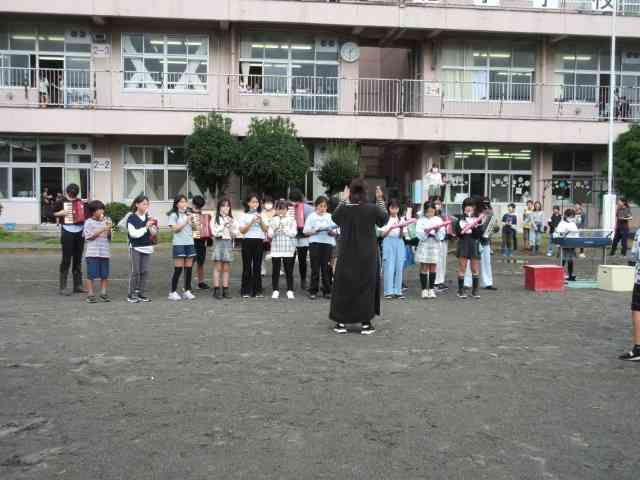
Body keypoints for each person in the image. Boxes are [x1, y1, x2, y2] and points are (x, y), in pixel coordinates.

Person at [330, 179, 387, 335]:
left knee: (343, 286)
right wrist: (380, 199)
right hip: (367, 254)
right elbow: (384, 219)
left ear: (350, 192)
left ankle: (341, 322)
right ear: (365, 192)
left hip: (346, 253)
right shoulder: (372, 208)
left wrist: (343, 200)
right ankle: (365, 323)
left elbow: (334, 218)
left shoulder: (344, 209)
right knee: (366, 287)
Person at [53, 183, 87, 295]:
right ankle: (63, 287)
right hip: (67, 231)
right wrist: (60, 213)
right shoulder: (60, 201)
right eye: (72, 191)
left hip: (80, 232)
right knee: (66, 259)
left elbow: (87, 214)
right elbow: (50, 213)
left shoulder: (81, 202)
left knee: (78, 259)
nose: (73, 193)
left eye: (75, 191)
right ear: (68, 192)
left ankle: (78, 286)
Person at [304, 196, 338, 300]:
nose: (322, 208)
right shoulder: (311, 217)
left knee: (326, 268)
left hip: (327, 244)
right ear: (316, 206)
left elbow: (336, 232)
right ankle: (313, 290)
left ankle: (327, 290)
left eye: (324, 206)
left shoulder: (330, 216)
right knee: (315, 267)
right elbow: (305, 232)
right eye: (320, 206)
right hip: (315, 243)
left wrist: (331, 232)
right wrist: (314, 231)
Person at [126, 195, 157, 303]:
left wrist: (152, 226)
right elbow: (134, 234)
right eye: (144, 204)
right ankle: (131, 295)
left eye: (147, 204)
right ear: (137, 205)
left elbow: (154, 233)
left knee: (144, 271)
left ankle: (141, 293)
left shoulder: (149, 217)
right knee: (136, 271)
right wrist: (146, 227)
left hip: (147, 247)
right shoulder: (131, 218)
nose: (146, 206)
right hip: (135, 247)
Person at [167, 195, 196, 301]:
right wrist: (186, 220)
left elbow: (196, 229)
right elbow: (176, 229)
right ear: (177, 203)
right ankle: (172, 292)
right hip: (179, 244)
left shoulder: (189, 214)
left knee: (189, 269)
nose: (184, 204)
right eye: (181, 202)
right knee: (178, 269)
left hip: (190, 243)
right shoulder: (173, 215)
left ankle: (187, 290)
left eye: (185, 202)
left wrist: (193, 221)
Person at [239, 193, 269, 298]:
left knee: (257, 266)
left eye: (256, 202)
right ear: (248, 203)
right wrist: (251, 222)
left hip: (259, 242)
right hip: (247, 241)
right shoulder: (244, 215)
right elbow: (242, 231)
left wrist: (260, 221)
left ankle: (258, 290)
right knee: (247, 266)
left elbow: (266, 230)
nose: (255, 204)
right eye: (253, 202)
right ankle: (245, 290)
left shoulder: (262, 214)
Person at [465, 198, 498, 291]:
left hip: (485, 241)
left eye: (487, 204)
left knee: (486, 262)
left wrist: (494, 229)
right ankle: (467, 283)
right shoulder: (472, 213)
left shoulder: (490, 213)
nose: (485, 206)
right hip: (473, 240)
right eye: (484, 204)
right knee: (469, 262)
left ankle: (487, 283)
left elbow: (494, 226)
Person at [82, 200, 112, 303]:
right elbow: (89, 237)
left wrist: (109, 229)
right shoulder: (88, 222)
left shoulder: (106, 220)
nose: (102, 211)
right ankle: (90, 294)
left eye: (102, 209)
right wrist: (103, 228)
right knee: (91, 274)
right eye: (99, 209)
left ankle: (103, 293)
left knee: (104, 274)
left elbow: (109, 238)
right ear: (93, 211)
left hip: (104, 252)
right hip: (92, 253)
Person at [454, 197, 484, 299]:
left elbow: (479, 234)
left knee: (475, 268)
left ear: (474, 207)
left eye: (471, 206)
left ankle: (475, 291)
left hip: (474, 244)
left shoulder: (478, 219)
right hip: (463, 244)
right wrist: (464, 227)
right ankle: (460, 290)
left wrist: (473, 226)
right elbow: (458, 233)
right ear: (463, 207)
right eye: (467, 206)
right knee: (462, 267)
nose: (469, 208)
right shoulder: (460, 219)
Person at [415, 201, 446, 299]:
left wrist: (437, 231)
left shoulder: (438, 219)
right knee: (424, 266)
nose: (430, 214)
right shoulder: (421, 220)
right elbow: (418, 233)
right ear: (425, 211)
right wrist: (426, 232)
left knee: (433, 266)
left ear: (435, 211)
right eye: (428, 212)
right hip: (425, 243)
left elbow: (442, 234)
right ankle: (424, 289)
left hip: (435, 244)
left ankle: (431, 289)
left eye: (432, 211)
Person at [268, 199, 298, 300]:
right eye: (279, 209)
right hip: (276, 247)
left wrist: (285, 229)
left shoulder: (291, 220)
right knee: (275, 270)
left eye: (283, 209)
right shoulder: (273, 220)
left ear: (286, 209)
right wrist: (276, 230)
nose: (281, 211)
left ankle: (290, 290)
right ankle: (275, 290)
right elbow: (270, 234)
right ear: (276, 210)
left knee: (289, 270)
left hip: (288, 247)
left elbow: (294, 233)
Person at [210, 197, 238, 300]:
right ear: (219, 207)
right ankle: (216, 289)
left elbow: (235, 234)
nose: (225, 208)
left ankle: (225, 289)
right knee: (218, 267)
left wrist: (231, 225)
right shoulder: (215, 218)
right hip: (218, 242)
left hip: (228, 243)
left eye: (227, 206)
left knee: (226, 268)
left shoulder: (232, 219)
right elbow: (214, 232)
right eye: (223, 205)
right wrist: (223, 224)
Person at [379, 199, 407, 300]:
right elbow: (382, 235)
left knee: (399, 267)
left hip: (399, 243)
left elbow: (402, 236)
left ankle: (398, 291)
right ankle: (388, 291)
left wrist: (401, 228)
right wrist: (390, 228)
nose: (394, 210)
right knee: (389, 267)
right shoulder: (385, 219)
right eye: (392, 208)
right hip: (388, 241)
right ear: (389, 208)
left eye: (396, 208)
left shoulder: (401, 219)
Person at [289, 189, 314, 291]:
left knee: (297, 260)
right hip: (296, 236)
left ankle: (300, 281)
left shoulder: (307, 208)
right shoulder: (307, 208)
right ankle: (300, 281)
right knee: (297, 260)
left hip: (300, 237)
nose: (294, 203)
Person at [554, 208, 579, 282]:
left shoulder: (573, 223)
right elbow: (558, 233)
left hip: (571, 244)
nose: (571, 218)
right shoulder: (562, 223)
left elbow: (576, 233)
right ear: (566, 216)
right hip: (564, 244)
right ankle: (559, 275)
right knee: (563, 260)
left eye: (572, 216)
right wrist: (564, 233)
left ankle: (570, 275)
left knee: (570, 260)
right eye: (570, 216)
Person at [191, 195, 210, 290]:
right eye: (198, 206)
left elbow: (206, 229)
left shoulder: (204, 216)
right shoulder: (189, 214)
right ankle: (187, 283)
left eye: (200, 206)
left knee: (200, 262)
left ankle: (201, 282)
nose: (199, 208)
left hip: (201, 241)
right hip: (191, 241)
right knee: (190, 263)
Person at [261, 195, 275, 277]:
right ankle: (263, 269)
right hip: (264, 236)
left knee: (276, 253)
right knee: (263, 253)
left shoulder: (276, 212)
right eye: (266, 203)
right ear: (263, 204)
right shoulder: (261, 213)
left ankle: (277, 269)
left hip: (275, 236)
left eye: (270, 202)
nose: (268, 204)